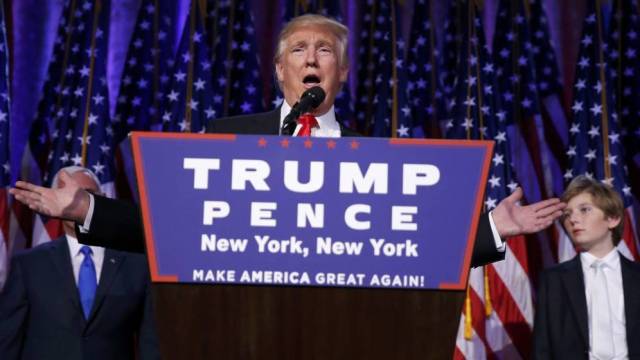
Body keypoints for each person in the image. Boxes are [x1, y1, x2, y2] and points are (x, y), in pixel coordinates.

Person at [9, 14, 565, 268]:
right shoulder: (228, 137)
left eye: (325, 50)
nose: (312, 58)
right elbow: (169, 227)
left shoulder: (377, 155)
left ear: (341, 74)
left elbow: (416, 243)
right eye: (299, 49)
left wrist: (495, 229)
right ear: (279, 71)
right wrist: (86, 207)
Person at [0, 167, 160, 360]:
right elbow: (7, 342)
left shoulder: (137, 265)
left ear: (103, 200)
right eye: (66, 195)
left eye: (87, 196)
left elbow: (150, 343)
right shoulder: (28, 265)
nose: (75, 204)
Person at [532, 176, 640, 359]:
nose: (573, 219)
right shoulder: (553, 280)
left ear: (612, 218)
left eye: (584, 210)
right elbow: (542, 349)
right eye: (567, 214)